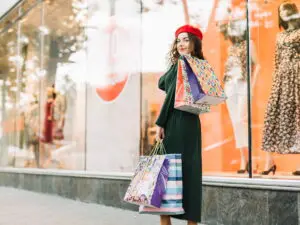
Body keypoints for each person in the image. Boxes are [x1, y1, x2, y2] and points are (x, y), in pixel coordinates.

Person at [155, 24, 204, 225]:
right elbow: (164, 83)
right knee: (190, 172)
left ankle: (166, 221)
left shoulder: (184, 64)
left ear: (195, 43)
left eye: (186, 39)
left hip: (176, 122)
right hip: (192, 123)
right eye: (178, 40)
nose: (181, 43)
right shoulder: (197, 64)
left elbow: (170, 96)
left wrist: (160, 123)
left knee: (167, 172)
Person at [261, 0, 300, 175]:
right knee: (272, 117)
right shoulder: (280, 35)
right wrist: (277, 79)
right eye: (281, 11)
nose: (283, 13)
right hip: (281, 80)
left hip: (297, 78)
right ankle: (269, 162)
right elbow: (277, 59)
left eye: (286, 10)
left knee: (297, 118)